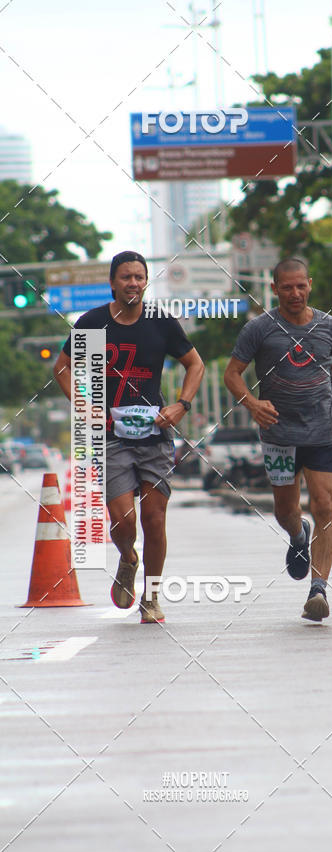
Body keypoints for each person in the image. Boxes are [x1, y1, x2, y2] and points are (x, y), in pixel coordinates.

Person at [54, 250, 205, 624]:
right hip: (110, 437)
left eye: (139, 277)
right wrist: (84, 405)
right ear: (112, 283)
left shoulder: (160, 322)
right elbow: (62, 369)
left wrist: (182, 405)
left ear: (146, 281)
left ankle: (152, 598)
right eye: (126, 277)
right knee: (123, 521)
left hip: (154, 434)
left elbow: (195, 364)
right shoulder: (92, 322)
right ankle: (127, 557)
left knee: (154, 519)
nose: (133, 283)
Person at [224, 257, 332, 622]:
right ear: (274, 289)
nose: (295, 293)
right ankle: (299, 538)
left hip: (323, 432)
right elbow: (232, 373)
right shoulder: (259, 329)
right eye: (287, 287)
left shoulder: (331, 326)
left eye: (301, 286)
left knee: (325, 505)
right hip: (279, 435)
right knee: (286, 511)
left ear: (310, 284)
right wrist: (251, 403)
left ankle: (319, 590)